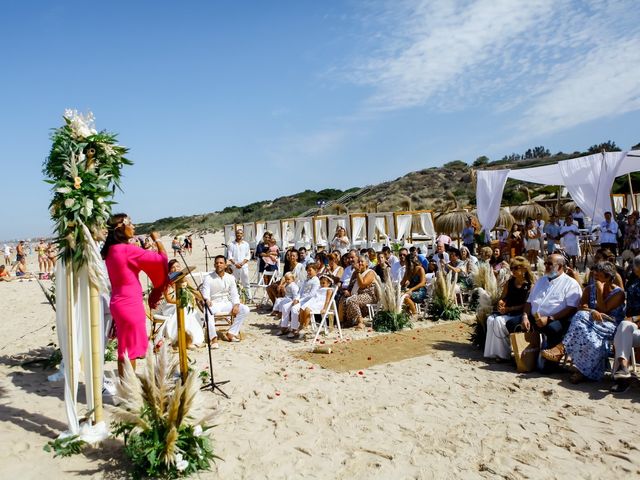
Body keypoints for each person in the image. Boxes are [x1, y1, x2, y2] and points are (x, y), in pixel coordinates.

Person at [101, 214, 168, 376]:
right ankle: (128, 390)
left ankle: (125, 386)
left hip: (118, 302)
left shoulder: (111, 250)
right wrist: (157, 240)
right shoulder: (127, 250)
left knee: (124, 348)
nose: (134, 226)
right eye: (130, 223)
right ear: (121, 229)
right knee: (130, 350)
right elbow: (161, 260)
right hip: (130, 304)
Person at [542, 261, 624, 382]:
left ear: (608, 277)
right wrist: (592, 311)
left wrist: (600, 291)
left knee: (582, 322)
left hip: (610, 324)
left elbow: (603, 309)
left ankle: (561, 349)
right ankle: (582, 371)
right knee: (584, 324)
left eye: (598, 277)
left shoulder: (619, 293)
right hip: (590, 321)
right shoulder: (589, 289)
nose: (595, 279)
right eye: (594, 276)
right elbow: (581, 306)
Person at [520, 254, 582, 351]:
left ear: (560, 266)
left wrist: (549, 318)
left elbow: (571, 308)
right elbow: (529, 302)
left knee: (552, 329)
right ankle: (524, 358)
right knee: (512, 323)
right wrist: (525, 316)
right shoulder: (541, 280)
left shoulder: (571, 283)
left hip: (557, 319)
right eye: (545, 263)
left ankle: (549, 361)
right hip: (535, 318)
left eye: (550, 264)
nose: (546, 266)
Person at [484, 256, 534, 360]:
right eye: (511, 268)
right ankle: (492, 352)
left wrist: (508, 309)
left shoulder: (529, 285)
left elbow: (526, 304)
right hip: (507, 311)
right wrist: (502, 302)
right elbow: (504, 297)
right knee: (490, 319)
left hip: (520, 313)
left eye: (516, 268)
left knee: (498, 321)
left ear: (524, 269)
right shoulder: (510, 282)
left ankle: (503, 354)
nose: (513, 271)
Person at [155, 259, 205, 349]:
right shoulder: (167, 281)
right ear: (169, 270)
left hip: (182, 305)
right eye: (173, 267)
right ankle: (179, 338)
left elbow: (193, 291)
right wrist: (180, 302)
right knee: (184, 308)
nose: (176, 269)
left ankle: (192, 338)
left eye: (177, 266)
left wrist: (202, 297)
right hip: (170, 306)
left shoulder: (184, 279)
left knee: (189, 311)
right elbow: (169, 299)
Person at [199, 255, 248, 346]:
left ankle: (231, 333)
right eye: (217, 263)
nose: (219, 265)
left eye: (221, 263)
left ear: (225, 265)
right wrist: (207, 300)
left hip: (226, 303)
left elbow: (234, 293)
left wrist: (236, 304)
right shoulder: (208, 278)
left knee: (245, 309)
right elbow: (205, 293)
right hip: (214, 304)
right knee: (207, 311)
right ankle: (213, 338)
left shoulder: (230, 277)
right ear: (214, 265)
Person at [611, 255, 640, 392]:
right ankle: (623, 367)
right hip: (633, 325)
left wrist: (634, 319)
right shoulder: (633, 282)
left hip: (635, 321)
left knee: (624, 329)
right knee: (623, 327)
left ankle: (622, 379)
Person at [280, 264, 320, 337]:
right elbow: (300, 292)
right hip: (301, 299)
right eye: (307, 270)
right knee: (285, 307)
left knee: (294, 309)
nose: (308, 272)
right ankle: (284, 326)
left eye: (310, 270)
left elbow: (311, 294)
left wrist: (299, 300)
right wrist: (296, 299)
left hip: (309, 301)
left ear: (316, 270)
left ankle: (294, 329)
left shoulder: (316, 281)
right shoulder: (306, 280)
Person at [341, 255, 377, 329]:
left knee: (352, 301)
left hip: (368, 296)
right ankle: (348, 321)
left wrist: (358, 272)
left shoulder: (370, 273)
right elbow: (350, 285)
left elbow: (362, 284)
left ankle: (360, 322)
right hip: (357, 295)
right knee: (343, 300)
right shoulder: (354, 273)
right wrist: (348, 291)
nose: (360, 263)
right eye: (359, 261)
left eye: (362, 262)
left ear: (367, 263)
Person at [227, 228, 252, 302]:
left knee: (246, 282)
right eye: (238, 233)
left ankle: (248, 298)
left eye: (240, 233)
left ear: (243, 234)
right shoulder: (231, 244)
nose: (239, 235)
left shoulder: (246, 244)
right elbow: (229, 256)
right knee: (235, 282)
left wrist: (242, 263)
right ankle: (236, 298)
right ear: (235, 234)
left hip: (244, 266)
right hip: (234, 266)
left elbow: (248, 256)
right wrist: (235, 264)